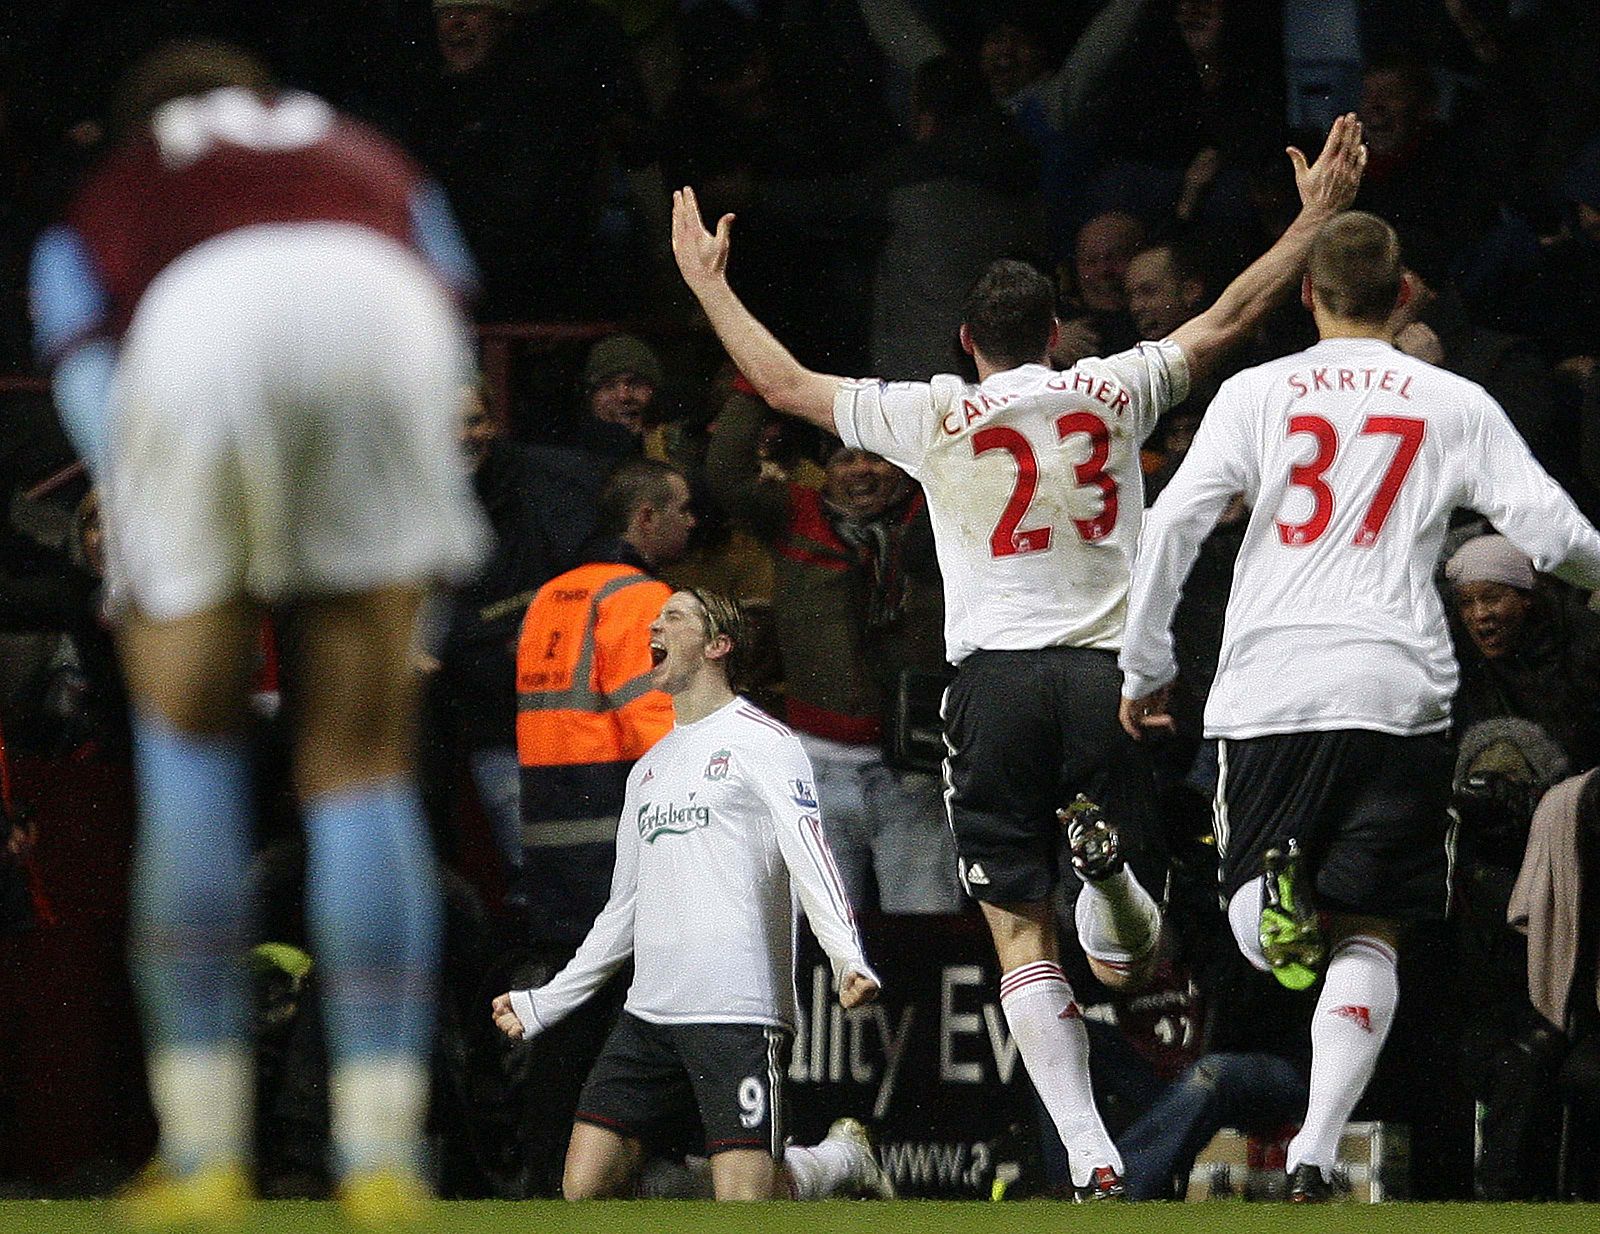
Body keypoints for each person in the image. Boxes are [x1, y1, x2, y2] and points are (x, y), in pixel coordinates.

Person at [672, 112, 1368, 1198]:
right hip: (1105, 678)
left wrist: (710, 286)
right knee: (1125, 958)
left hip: (991, 684)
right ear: (1054, 330)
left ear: (966, 342)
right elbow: (1230, 313)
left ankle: (1089, 1153)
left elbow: (789, 385)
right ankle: (1105, 879)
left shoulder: (934, 412)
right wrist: (1315, 218)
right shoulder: (1117, 387)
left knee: (1014, 933)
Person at [27, 42, 490, 1225]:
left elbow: (78, 337)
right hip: (385, 324)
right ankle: (382, 1161)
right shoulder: (355, 145)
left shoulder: (126, 184)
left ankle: (204, 1154)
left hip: (200, 331)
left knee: (194, 755)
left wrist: (142, 507)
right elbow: (446, 279)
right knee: (363, 769)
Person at [1116, 210, 1600, 1201]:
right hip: (1394, 688)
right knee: (1372, 931)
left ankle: (1273, 904)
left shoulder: (1256, 392)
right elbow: (1547, 530)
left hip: (1269, 687)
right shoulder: (1449, 398)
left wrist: (1143, 665)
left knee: (1257, 931)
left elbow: (1168, 527)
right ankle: (1312, 1156)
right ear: (1405, 292)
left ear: (1305, 293)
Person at [492, 588, 886, 1200]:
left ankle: (835, 1163)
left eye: (673, 616)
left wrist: (846, 957)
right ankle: (750, 1170)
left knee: (746, 1202)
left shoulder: (766, 742)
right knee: (584, 1187)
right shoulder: (649, 769)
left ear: (717, 646)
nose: (655, 625)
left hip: (737, 1010)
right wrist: (547, 1002)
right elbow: (621, 913)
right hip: (648, 1014)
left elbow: (812, 853)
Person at [515, 458, 695, 948]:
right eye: (682, 508)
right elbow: (652, 713)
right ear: (646, 518)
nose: (692, 520)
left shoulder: (551, 594)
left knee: (564, 975)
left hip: (545, 812)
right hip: (616, 817)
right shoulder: (642, 597)